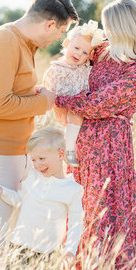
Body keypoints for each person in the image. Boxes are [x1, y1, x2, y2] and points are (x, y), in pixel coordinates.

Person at [0, 0, 78, 270]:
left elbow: (12, 94)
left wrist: (32, 94)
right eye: (60, 32)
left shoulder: (23, 45)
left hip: (11, 153)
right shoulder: (4, 42)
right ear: (49, 25)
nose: (58, 40)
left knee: (9, 237)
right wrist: (45, 101)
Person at [54, 0, 136, 270]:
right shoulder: (100, 52)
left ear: (125, 26)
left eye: (110, 24)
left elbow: (101, 102)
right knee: (80, 209)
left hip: (111, 146)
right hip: (79, 145)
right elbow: (71, 60)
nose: (105, 30)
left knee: (109, 208)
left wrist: (58, 99)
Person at [0, 127, 83, 270]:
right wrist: (2, 192)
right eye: (33, 159)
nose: (37, 164)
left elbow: (75, 224)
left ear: (61, 154)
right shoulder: (31, 177)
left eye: (42, 159)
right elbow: (21, 201)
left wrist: (70, 250)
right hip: (19, 246)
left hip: (47, 253)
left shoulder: (72, 189)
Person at [42, 20, 105, 166]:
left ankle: (68, 148)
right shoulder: (58, 68)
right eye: (76, 48)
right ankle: (68, 151)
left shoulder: (85, 68)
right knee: (73, 115)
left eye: (84, 52)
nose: (78, 53)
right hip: (65, 105)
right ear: (66, 44)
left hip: (80, 106)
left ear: (89, 56)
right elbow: (50, 87)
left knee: (76, 117)